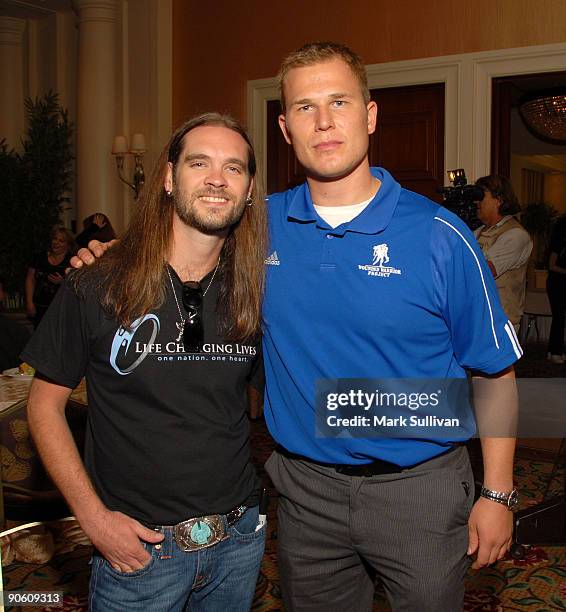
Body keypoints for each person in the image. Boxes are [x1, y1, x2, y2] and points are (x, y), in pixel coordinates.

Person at [74, 42, 522, 612]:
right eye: (306, 108)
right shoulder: (257, 227)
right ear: (285, 129)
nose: (326, 121)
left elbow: (495, 369)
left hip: (421, 492)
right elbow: (183, 243)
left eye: (339, 101)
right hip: (306, 495)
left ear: (370, 114)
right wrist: (108, 258)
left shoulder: (439, 234)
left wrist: (498, 492)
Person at [23, 113, 268, 611]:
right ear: (168, 177)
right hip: (139, 553)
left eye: (234, 168)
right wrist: (93, 520)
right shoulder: (97, 281)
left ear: (248, 191)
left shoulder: (257, 293)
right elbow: (43, 407)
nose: (217, 178)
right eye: (199, 163)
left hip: (239, 542)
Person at [474, 175, 533, 332]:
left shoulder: (516, 235)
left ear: (498, 200)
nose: (476, 202)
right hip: (477, 318)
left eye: (481, 196)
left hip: (501, 322)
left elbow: (486, 271)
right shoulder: (478, 232)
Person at [25, 225, 76, 328]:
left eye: (61, 241)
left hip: (61, 309)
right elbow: (30, 279)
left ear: (68, 245)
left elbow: (77, 285)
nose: (56, 242)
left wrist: (63, 282)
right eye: (55, 239)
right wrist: (29, 302)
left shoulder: (72, 261)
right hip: (39, 307)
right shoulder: (40, 257)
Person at [546, 215, 566, 364]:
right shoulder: (558, 243)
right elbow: (551, 265)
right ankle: (555, 351)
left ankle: (554, 350)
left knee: (560, 317)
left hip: (561, 282)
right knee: (558, 317)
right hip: (556, 283)